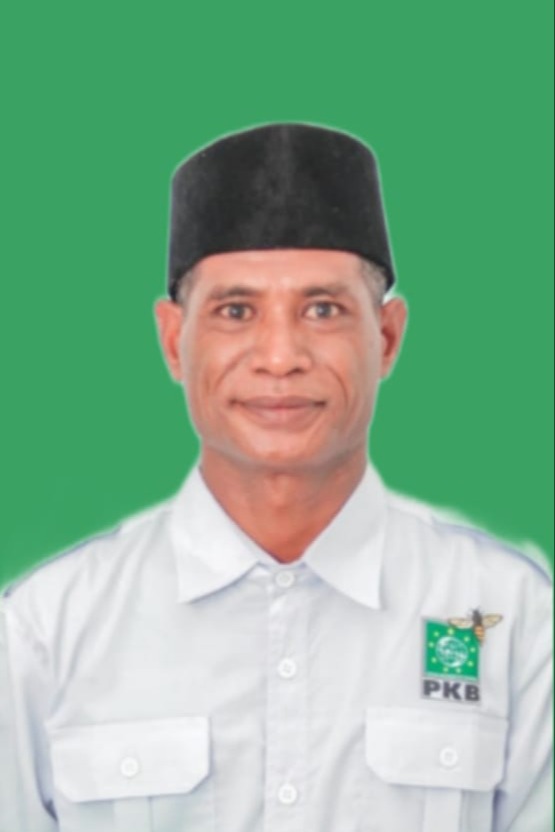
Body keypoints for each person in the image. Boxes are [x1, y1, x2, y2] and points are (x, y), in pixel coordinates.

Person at [0, 123, 551, 832]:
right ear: (174, 341)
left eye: (323, 310)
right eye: (236, 311)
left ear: (386, 337)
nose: (280, 356)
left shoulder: (513, 617)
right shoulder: (45, 632)